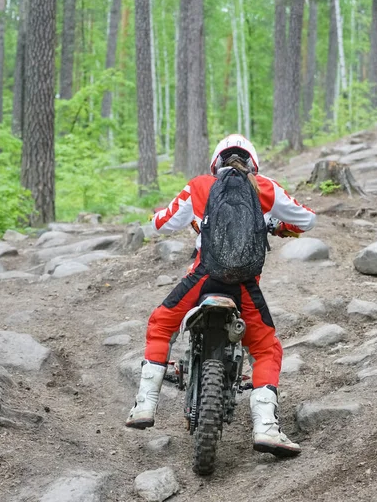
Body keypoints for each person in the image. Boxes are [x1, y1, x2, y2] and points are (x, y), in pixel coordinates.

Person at [125, 134, 316, 457]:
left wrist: (166, 217)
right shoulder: (266, 188)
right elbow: (307, 219)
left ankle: (145, 405)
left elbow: (162, 224)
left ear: (216, 163)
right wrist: (277, 226)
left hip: (203, 278)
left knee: (160, 324)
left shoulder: (200, 186)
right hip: (244, 286)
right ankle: (266, 427)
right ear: (253, 163)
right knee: (267, 349)